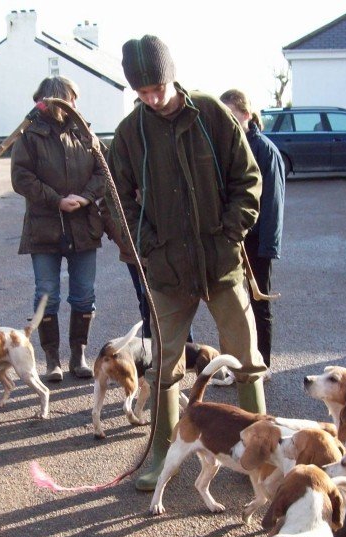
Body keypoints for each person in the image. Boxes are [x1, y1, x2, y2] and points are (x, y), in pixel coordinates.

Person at [107, 35, 265, 490]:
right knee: (164, 367)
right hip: (167, 273)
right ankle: (161, 454)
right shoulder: (129, 134)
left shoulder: (212, 114)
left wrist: (232, 230)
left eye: (157, 86)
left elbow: (248, 178)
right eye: (142, 91)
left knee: (246, 360)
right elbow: (116, 203)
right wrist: (145, 245)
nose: (152, 98)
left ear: (171, 75)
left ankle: (260, 449)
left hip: (221, 265)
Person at [11, 76, 105, 382]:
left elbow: (105, 172)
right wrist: (56, 201)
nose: (72, 106)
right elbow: (21, 178)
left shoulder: (85, 131)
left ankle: (78, 357)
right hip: (44, 228)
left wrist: (86, 197)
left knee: (83, 295)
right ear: (52, 101)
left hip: (83, 226)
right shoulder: (29, 135)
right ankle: (51, 360)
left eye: (74, 99)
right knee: (46, 295)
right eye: (68, 100)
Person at [219, 89, 285, 373]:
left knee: (259, 303)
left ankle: (263, 364)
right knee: (234, 304)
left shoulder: (265, 150)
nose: (228, 122)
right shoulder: (224, 147)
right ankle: (240, 362)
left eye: (232, 115)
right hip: (232, 239)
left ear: (246, 115)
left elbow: (273, 202)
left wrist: (268, 247)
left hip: (257, 241)